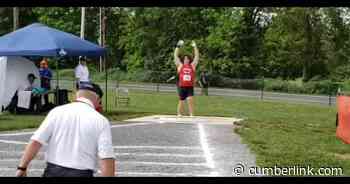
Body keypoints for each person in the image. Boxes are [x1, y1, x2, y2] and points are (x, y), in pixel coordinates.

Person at [16, 83, 115, 177]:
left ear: (76, 96)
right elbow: (106, 157)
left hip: (52, 171)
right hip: (82, 173)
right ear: (98, 100)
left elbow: (36, 142)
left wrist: (22, 167)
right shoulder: (101, 121)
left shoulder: (56, 112)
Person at [174, 40, 199, 117]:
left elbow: (197, 57)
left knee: (190, 99)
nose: (186, 60)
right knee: (181, 100)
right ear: (183, 60)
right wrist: (178, 46)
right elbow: (175, 56)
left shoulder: (192, 66)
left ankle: (191, 114)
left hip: (190, 86)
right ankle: (179, 113)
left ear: (189, 60)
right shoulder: (180, 66)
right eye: (185, 59)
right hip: (182, 86)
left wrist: (195, 47)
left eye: (187, 59)